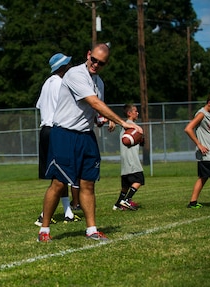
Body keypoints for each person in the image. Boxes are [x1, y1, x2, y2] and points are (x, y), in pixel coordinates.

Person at [37, 43, 143, 242]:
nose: (95, 64)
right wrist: (124, 123)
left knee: (88, 183)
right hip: (64, 134)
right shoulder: (74, 74)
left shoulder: (99, 82)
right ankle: (44, 231)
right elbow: (94, 102)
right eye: (93, 59)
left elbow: (95, 111)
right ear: (88, 55)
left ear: (105, 64)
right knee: (59, 183)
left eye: (101, 63)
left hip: (86, 136)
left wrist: (105, 119)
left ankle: (91, 229)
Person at [34, 52, 81, 226]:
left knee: (59, 175)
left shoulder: (47, 83)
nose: (70, 67)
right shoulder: (62, 83)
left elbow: (40, 105)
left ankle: (68, 212)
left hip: (45, 130)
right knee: (64, 174)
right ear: (62, 67)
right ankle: (44, 215)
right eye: (67, 64)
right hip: (57, 131)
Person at [184, 92, 210, 209]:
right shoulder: (202, 114)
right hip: (206, 153)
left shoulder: (209, 114)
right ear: (209, 103)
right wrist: (199, 144)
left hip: (209, 152)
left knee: (203, 178)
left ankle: (193, 202)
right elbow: (188, 129)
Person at [113, 104, 144, 211]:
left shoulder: (128, 125)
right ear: (129, 113)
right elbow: (139, 131)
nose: (137, 113)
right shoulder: (129, 125)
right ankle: (127, 200)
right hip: (132, 160)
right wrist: (139, 130)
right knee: (139, 180)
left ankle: (117, 204)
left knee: (125, 185)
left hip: (125, 161)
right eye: (135, 111)